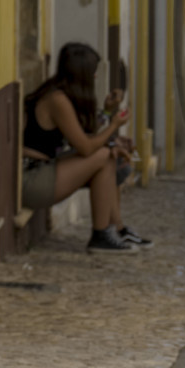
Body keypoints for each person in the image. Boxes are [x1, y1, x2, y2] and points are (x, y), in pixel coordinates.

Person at [22, 42, 148, 254]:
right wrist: (114, 126)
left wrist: (107, 115)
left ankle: (115, 229)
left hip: (42, 169)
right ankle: (101, 234)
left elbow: (80, 135)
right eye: (92, 73)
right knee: (103, 154)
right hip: (32, 180)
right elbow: (86, 148)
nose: (95, 78)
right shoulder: (57, 100)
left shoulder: (58, 95)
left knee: (109, 155)